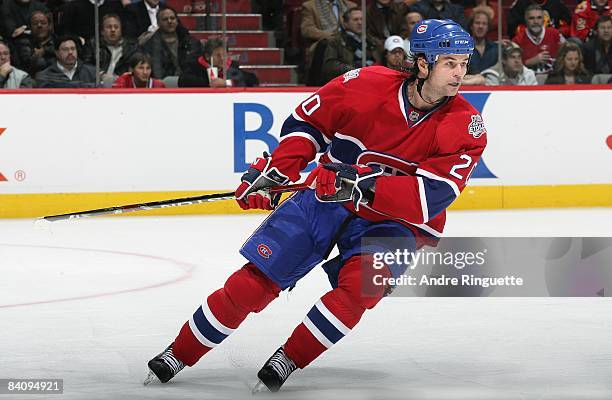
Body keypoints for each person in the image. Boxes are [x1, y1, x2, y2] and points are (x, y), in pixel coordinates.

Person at [144, 19, 487, 393]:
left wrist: (362, 184)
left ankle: (289, 358)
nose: (460, 73)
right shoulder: (365, 85)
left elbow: (436, 193)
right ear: (423, 64)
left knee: (361, 289)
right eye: (450, 63)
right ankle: (179, 352)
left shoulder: (466, 124)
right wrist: (277, 170)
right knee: (255, 282)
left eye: (464, 63)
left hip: (395, 221)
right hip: (325, 199)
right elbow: (308, 124)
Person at [319, 7, 380, 84]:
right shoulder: (336, 41)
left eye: (362, 19)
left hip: (371, 80)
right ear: (345, 24)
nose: (360, 22)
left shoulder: (372, 41)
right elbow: (330, 66)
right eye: (356, 19)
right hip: (346, 82)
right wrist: (355, 71)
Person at [140, 6, 202, 79]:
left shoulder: (190, 42)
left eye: (172, 18)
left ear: (177, 21)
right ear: (158, 23)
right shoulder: (149, 45)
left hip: (187, 82)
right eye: (165, 19)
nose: (169, 21)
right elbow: (155, 71)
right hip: (162, 84)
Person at [82, 14, 140, 85]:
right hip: (97, 84)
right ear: (102, 31)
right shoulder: (93, 44)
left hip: (123, 85)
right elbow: (85, 65)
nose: (113, 30)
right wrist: (101, 74)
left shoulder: (131, 47)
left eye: (116, 27)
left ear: (121, 30)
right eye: (109, 27)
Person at [178, 38, 258, 87]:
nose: (222, 58)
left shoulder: (232, 65)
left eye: (224, 55)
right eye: (218, 55)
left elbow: (252, 80)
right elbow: (183, 81)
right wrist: (210, 83)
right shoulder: (195, 65)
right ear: (207, 56)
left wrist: (226, 83)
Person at [513, 4, 565, 75]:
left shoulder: (555, 34)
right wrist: (530, 62)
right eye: (531, 18)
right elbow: (512, 67)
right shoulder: (518, 40)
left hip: (553, 79)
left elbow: (568, 54)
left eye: (539, 18)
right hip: (528, 81)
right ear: (525, 20)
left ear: (543, 19)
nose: (536, 22)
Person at [12, 10, 55, 75]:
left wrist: (44, 51)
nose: (39, 25)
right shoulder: (23, 43)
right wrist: (34, 59)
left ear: (49, 26)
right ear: (30, 27)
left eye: (43, 23)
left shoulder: (58, 41)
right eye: (35, 23)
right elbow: (23, 67)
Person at [507, 0, 571, 38]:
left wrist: (556, 33)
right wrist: (530, 33)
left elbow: (567, 26)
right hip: (527, 40)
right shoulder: (521, 3)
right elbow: (512, 28)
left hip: (554, 39)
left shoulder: (557, 3)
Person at [467, 10, 498, 74]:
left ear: (488, 28)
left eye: (484, 24)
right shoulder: (462, 49)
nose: (480, 26)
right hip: (468, 83)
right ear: (471, 26)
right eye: (477, 23)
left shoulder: (495, 49)